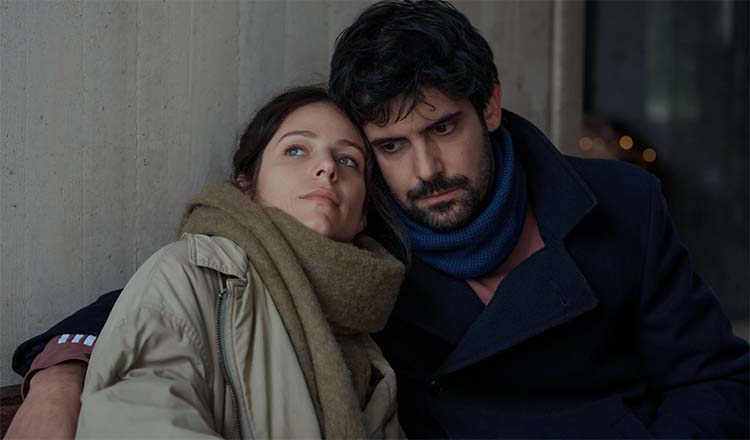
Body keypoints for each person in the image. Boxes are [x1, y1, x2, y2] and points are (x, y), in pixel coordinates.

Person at [8, 1, 749, 438]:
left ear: (490, 104)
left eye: (443, 128)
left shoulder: (620, 204)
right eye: (390, 146)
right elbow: (197, 284)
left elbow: (716, 378)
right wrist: (60, 377)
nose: (425, 171)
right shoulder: (361, 241)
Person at [8, 86, 406, 439]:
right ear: (247, 185)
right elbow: (137, 415)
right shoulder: (190, 273)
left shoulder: (369, 334)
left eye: (348, 160)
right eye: (296, 150)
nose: (328, 167)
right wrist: (57, 377)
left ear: (363, 215)